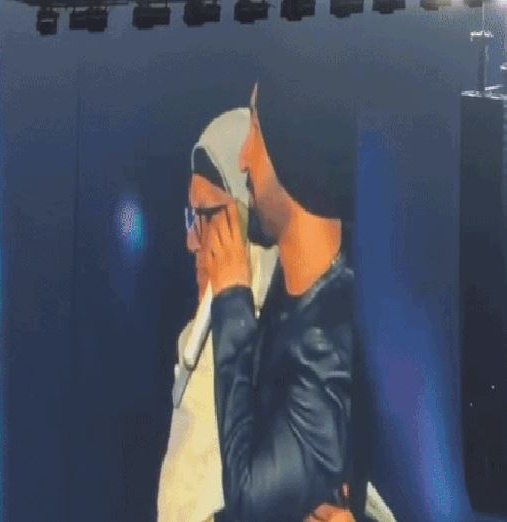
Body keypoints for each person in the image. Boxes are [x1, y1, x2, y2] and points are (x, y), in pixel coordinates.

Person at [159, 109, 395, 522]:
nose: (192, 241)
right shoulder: (202, 346)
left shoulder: (302, 340)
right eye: (188, 217)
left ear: (244, 219)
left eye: (204, 217)